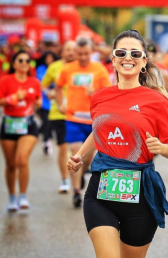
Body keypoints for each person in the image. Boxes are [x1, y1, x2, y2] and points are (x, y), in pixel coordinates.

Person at [67, 29, 168, 258]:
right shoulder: (99, 97)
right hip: (101, 192)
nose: (127, 57)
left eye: (134, 53)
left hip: (141, 195)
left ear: (143, 61)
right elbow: (99, 131)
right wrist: (80, 155)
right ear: (113, 59)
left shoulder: (157, 101)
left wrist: (161, 147)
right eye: (121, 52)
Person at [56, 37, 111, 207]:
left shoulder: (99, 69)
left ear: (91, 52)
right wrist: (60, 104)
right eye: (80, 54)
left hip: (93, 120)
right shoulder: (68, 69)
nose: (83, 57)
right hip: (73, 117)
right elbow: (58, 86)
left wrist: (95, 92)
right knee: (75, 153)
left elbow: (108, 93)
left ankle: (82, 174)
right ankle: (77, 192)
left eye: (86, 54)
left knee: (87, 158)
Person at [0, 50, 42, 211]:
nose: (24, 63)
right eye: (20, 60)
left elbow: (38, 99)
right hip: (9, 124)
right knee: (11, 164)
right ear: (14, 64)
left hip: (27, 124)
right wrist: (12, 98)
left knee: (22, 159)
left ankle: (23, 196)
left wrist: (39, 103)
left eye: (28, 61)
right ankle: (12, 197)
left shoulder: (34, 82)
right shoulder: (6, 80)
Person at [41, 40, 76, 193]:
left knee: (77, 149)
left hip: (78, 113)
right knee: (63, 148)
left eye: (73, 50)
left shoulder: (82, 67)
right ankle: (64, 180)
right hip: (58, 113)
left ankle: (77, 176)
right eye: (67, 49)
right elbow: (43, 84)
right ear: (62, 52)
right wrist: (47, 92)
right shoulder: (54, 67)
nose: (70, 52)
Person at [36, 51, 58, 154]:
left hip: (55, 101)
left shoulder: (57, 67)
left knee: (51, 124)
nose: (49, 60)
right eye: (47, 58)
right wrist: (47, 91)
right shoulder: (41, 69)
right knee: (46, 122)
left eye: (51, 58)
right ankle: (46, 142)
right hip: (44, 100)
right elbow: (41, 82)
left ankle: (46, 137)